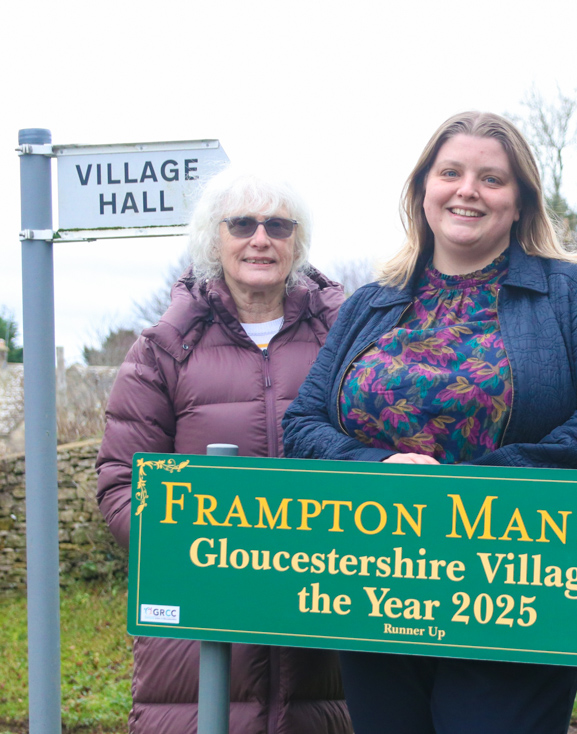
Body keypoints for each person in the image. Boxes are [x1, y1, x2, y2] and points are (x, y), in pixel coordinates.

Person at [282, 111, 577, 734]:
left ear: (520, 200)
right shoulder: (371, 303)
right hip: (377, 587)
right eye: (451, 172)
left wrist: (471, 485)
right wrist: (379, 466)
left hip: (518, 585)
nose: (467, 190)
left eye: (491, 178)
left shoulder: (571, 294)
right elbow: (304, 424)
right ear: (424, 189)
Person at [95, 168, 352, 734]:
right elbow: (120, 484)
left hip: (319, 631)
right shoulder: (164, 349)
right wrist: (216, 561)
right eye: (242, 224)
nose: (261, 239)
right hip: (196, 651)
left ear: (297, 243)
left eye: (278, 226)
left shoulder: (348, 346)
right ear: (215, 238)